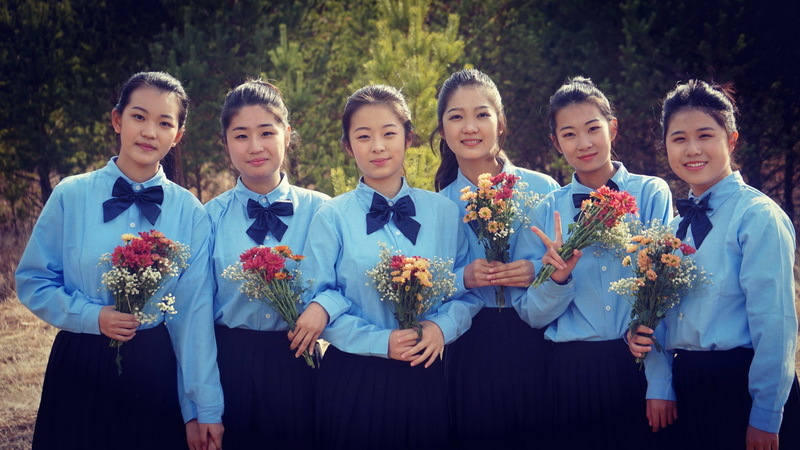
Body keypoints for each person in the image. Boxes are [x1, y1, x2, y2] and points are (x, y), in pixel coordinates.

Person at [15, 71, 224, 450]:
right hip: (79, 364)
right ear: (117, 120)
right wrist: (91, 316)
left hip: (154, 371)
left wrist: (200, 408)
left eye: (164, 123)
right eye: (138, 116)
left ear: (177, 135)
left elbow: (193, 318)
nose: (149, 132)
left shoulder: (191, 212)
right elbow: (34, 281)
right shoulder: (71, 195)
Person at [292, 84, 474, 449]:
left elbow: (467, 293)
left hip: (427, 374)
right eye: (363, 136)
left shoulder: (444, 212)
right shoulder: (332, 216)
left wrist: (441, 327)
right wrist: (380, 342)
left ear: (408, 139)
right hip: (353, 379)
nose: (377, 146)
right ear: (348, 147)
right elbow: (315, 300)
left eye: (389, 133)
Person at [628, 79, 800, 450]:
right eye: (679, 139)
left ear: (731, 140)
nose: (692, 149)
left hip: (743, 387)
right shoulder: (671, 230)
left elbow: (776, 326)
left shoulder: (758, 217)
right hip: (687, 389)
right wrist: (660, 384)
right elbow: (657, 319)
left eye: (705, 135)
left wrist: (766, 414)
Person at [514, 76, 674, 449]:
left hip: (639, 364)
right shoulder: (546, 211)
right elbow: (531, 315)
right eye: (569, 134)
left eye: (592, 128)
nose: (583, 143)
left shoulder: (650, 193)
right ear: (556, 143)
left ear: (612, 128)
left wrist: (661, 381)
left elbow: (664, 291)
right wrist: (557, 279)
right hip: (572, 374)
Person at [432, 68, 560, 448]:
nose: (470, 127)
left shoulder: (544, 188)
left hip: (539, 340)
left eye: (482, 114)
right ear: (442, 131)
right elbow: (426, 288)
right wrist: (463, 278)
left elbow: (568, 263)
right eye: (456, 116)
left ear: (500, 123)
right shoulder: (436, 206)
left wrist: (534, 270)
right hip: (467, 347)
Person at [205, 79, 330, 449]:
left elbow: (345, 284)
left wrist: (325, 306)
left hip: (300, 365)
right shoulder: (208, 218)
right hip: (229, 367)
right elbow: (194, 314)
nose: (255, 147)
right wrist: (200, 404)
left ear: (287, 135)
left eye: (266, 132)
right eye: (241, 136)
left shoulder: (323, 211)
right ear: (225, 142)